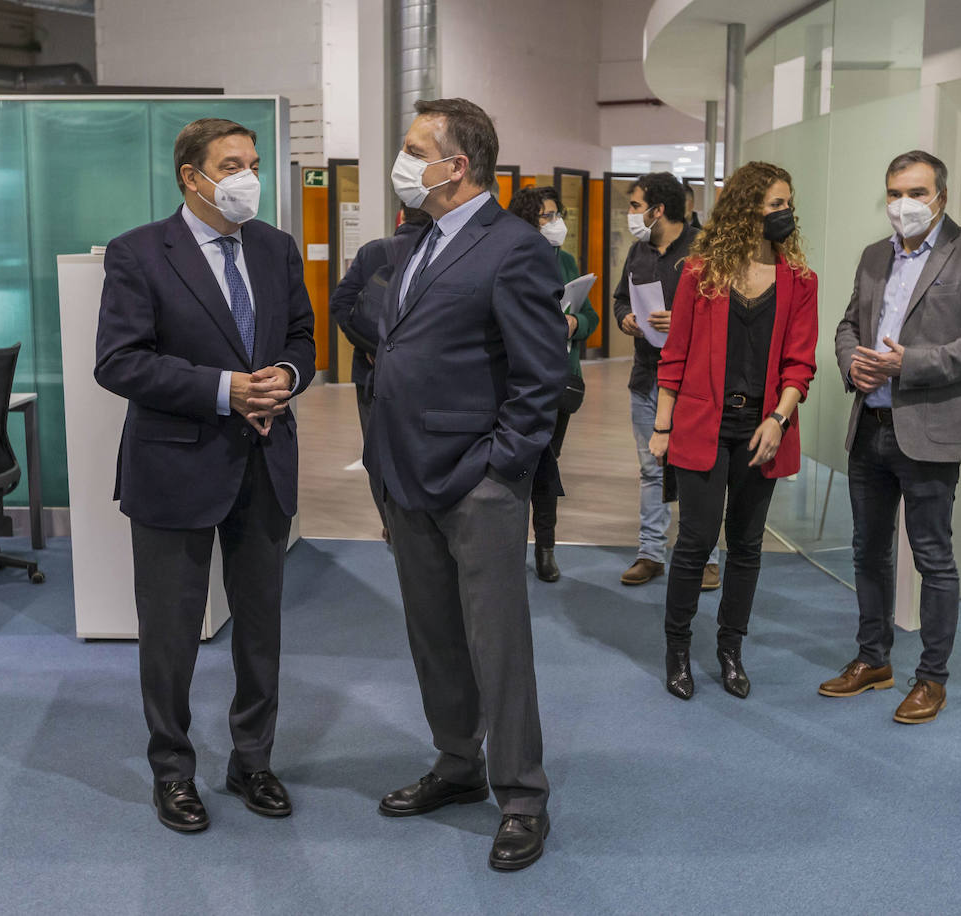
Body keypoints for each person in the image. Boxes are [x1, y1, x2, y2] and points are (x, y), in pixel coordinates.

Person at [94, 117, 316, 833]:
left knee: (260, 630)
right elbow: (119, 361)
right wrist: (226, 389)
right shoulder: (138, 254)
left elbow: (303, 338)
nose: (248, 176)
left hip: (264, 462)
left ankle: (253, 759)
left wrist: (284, 376)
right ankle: (173, 771)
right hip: (175, 465)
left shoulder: (276, 248)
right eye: (232, 164)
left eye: (252, 162)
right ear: (192, 177)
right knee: (171, 632)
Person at [365, 98, 565, 871]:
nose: (404, 161)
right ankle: (456, 765)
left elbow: (541, 373)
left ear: (458, 166)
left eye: (417, 150)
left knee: (498, 644)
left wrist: (500, 469)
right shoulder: (416, 239)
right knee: (435, 637)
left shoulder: (513, 248)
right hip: (405, 476)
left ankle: (522, 795)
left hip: (475, 482)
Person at [820, 150, 961, 724]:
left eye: (916, 192)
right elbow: (849, 324)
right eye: (895, 192)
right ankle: (873, 659)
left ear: (942, 197)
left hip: (929, 430)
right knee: (867, 552)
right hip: (870, 427)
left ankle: (931, 679)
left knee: (933, 557)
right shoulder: (874, 255)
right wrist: (852, 361)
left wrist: (913, 363)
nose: (903, 204)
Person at [649, 161, 818, 701]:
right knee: (696, 540)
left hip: (763, 428)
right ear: (747, 209)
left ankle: (730, 648)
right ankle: (677, 648)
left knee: (746, 545)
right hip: (703, 425)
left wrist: (779, 417)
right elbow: (673, 358)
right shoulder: (702, 275)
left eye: (787, 202)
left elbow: (800, 365)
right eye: (773, 203)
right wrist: (661, 426)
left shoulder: (801, 281)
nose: (784, 213)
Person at [612, 172, 720, 588]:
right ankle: (650, 553)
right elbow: (622, 296)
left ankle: (706, 557)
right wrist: (626, 318)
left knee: (696, 470)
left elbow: (723, 310)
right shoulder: (639, 252)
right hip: (646, 377)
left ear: (659, 210)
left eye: (637, 206)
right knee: (651, 468)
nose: (631, 214)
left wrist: (683, 320)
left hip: (694, 382)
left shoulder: (704, 251)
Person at [506, 185, 600, 582]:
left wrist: (575, 322)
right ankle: (507, 549)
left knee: (547, 466)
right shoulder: (510, 258)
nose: (555, 222)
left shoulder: (564, 261)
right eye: (547, 216)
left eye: (557, 213)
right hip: (518, 381)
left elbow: (590, 316)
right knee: (514, 468)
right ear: (528, 220)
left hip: (559, 381)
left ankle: (546, 548)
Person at [330, 205, 433, 540]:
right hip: (425, 377)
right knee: (423, 448)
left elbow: (340, 304)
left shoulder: (373, 251)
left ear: (400, 216)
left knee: (378, 452)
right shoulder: (442, 251)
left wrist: (373, 347)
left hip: (371, 376)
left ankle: (391, 524)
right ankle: (424, 521)